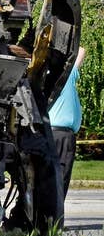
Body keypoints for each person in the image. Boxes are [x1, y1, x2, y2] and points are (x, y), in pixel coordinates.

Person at [49, 47, 86, 202]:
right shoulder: (67, 76)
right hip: (62, 135)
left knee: (50, 176)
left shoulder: (44, 78)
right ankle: (55, 216)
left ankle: (48, 217)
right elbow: (81, 50)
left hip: (51, 133)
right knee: (61, 177)